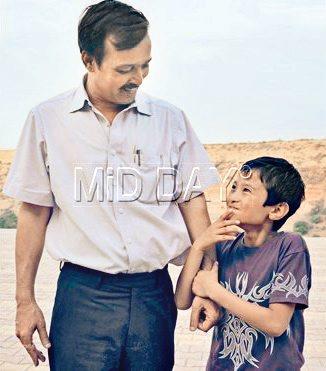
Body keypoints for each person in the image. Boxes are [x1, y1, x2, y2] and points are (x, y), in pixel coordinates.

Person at [3, 1, 220, 370]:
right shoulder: (47, 121)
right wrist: (25, 301)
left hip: (154, 295)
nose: (138, 77)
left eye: (145, 65)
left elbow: (193, 204)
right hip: (82, 296)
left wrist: (207, 284)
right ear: (89, 60)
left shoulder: (171, 120)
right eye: (125, 69)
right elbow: (34, 212)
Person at [175, 156, 312, 370]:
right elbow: (182, 300)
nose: (233, 197)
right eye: (234, 187)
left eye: (246, 190)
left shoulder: (290, 246)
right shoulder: (224, 246)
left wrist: (214, 290)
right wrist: (199, 245)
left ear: (276, 210)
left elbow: (276, 324)